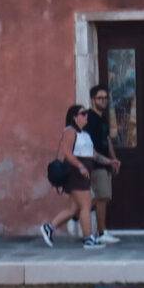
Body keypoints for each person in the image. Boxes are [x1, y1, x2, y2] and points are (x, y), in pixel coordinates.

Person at [40, 105, 103, 249]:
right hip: (76, 174)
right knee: (86, 206)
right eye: (83, 114)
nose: (86, 116)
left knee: (73, 209)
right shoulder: (70, 131)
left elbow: (93, 154)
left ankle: (49, 228)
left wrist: (109, 161)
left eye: (86, 113)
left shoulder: (85, 134)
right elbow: (67, 152)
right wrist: (80, 166)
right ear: (75, 117)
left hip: (83, 174)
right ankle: (88, 239)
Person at [86, 83, 121, 244]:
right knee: (102, 197)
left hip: (105, 163)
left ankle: (78, 212)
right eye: (100, 98)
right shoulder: (89, 119)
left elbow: (107, 140)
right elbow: (89, 146)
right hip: (96, 164)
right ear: (93, 100)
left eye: (106, 98)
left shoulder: (103, 118)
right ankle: (101, 232)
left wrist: (114, 159)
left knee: (104, 198)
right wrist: (106, 160)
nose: (103, 101)